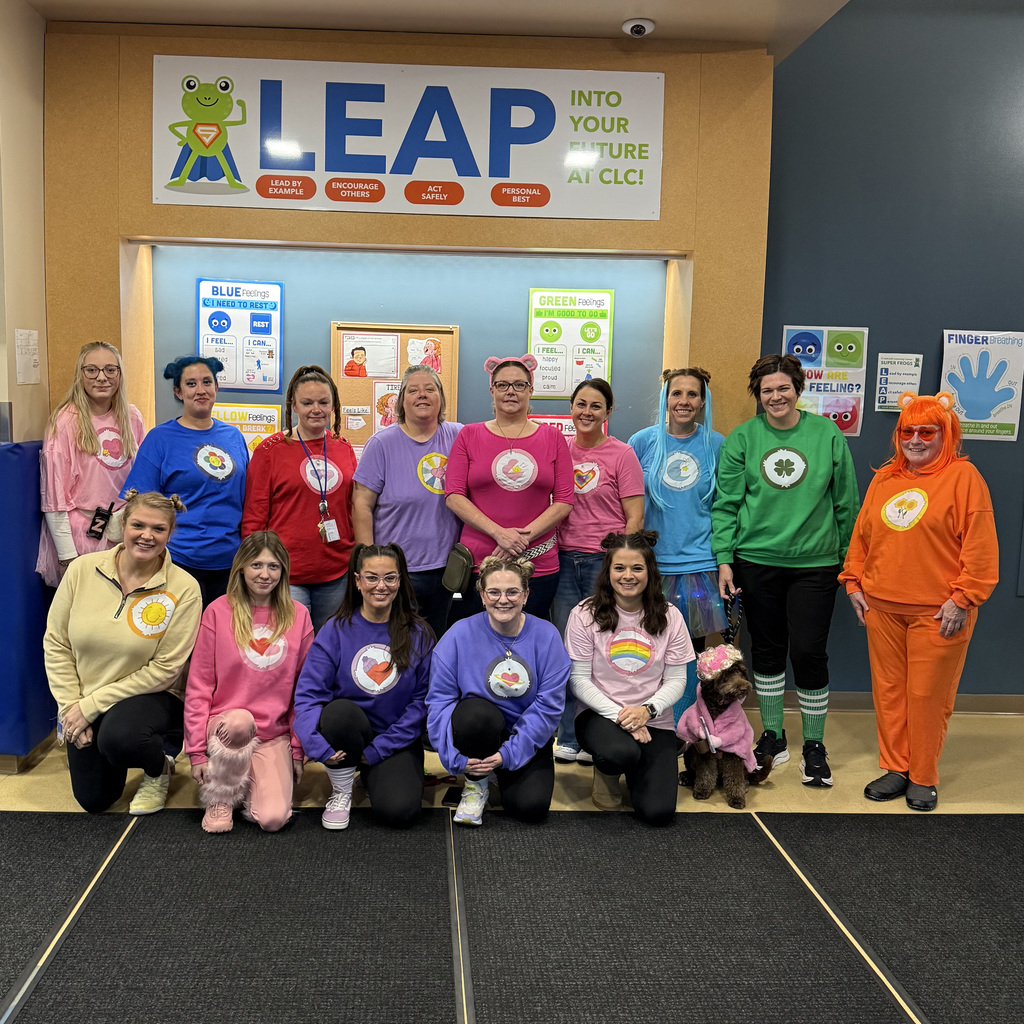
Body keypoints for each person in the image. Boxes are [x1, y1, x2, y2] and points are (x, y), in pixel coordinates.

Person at [839, 391, 997, 811]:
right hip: (882, 608)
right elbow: (863, 536)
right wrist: (853, 582)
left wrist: (963, 599)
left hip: (940, 612)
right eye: (908, 431)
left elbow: (980, 549)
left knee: (927, 697)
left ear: (946, 434)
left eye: (928, 431)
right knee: (889, 692)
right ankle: (895, 767)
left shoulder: (965, 479)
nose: (916, 440)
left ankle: (923, 775)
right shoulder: (885, 478)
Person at [712, 353, 859, 786]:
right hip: (755, 562)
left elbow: (846, 502)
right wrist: (725, 559)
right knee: (769, 651)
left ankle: (814, 743)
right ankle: (773, 736)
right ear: (758, 395)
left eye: (783, 388)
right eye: (766, 390)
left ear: (798, 389)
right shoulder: (743, 438)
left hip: (817, 564)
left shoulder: (826, 434)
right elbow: (726, 505)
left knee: (810, 651)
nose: (775, 396)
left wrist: (851, 561)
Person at [43, 490, 202, 815]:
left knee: (121, 739)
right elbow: (56, 643)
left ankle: (159, 768)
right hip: (86, 695)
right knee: (95, 800)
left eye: (158, 529)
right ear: (122, 525)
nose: (147, 536)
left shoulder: (184, 588)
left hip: (153, 695)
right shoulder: (82, 570)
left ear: (169, 534)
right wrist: (70, 707)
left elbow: (165, 670)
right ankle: (108, 741)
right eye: (138, 525)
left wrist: (91, 706)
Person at [293, 543, 433, 831]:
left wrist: (378, 750)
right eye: (371, 577)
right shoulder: (335, 630)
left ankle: (369, 774)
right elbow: (309, 695)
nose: (380, 586)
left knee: (400, 813)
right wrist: (312, 741)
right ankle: (342, 788)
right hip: (346, 732)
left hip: (395, 740)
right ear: (357, 581)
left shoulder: (418, 633)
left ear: (400, 581)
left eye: (389, 578)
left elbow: (422, 704)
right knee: (339, 712)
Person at [183, 531, 314, 833]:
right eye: (256, 565)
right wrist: (197, 752)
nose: (264, 575)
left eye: (273, 566)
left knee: (272, 819)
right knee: (241, 722)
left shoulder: (299, 615)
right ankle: (221, 794)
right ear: (241, 568)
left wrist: (297, 748)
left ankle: (248, 777)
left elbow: (303, 690)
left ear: (283, 571)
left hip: (272, 734)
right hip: (227, 728)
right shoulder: (218, 611)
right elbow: (199, 686)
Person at [428, 556, 570, 826]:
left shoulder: (547, 636)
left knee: (530, 809)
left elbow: (548, 708)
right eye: (493, 592)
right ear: (482, 595)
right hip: (478, 730)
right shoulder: (458, 635)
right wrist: (453, 758)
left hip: (525, 734)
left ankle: (498, 771)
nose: (502, 599)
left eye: (512, 592)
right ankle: (476, 783)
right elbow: (439, 702)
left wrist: (508, 754)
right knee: (474, 714)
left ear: (526, 595)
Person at [565, 531, 694, 824]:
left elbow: (677, 681)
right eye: (619, 568)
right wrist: (624, 717)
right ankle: (609, 771)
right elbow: (579, 681)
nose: (628, 576)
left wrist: (646, 711)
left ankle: (638, 767)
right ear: (607, 571)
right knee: (617, 753)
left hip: (653, 718)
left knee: (657, 814)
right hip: (599, 715)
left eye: (637, 568)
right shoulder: (584, 614)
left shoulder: (670, 616)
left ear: (650, 572)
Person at [551, 378, 644, 763]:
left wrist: (618, 565)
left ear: (609, 412)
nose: (587, 412)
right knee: (568, 653)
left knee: (603, 652)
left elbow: (635, 516)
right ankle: (569, 735)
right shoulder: (557, 451)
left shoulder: (622, 455)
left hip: (602, 563)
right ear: (570, 408)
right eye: (580, 404)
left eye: (596, 406)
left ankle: (599, 732)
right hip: (560, 561)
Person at [629, 367, 728, 722]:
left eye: (692, 394)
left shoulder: (717, 444)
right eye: (677, 393)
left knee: (689, 656)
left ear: (703, 401)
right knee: (643, 651)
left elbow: (726, 506)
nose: (684, 401)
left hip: (698, 568)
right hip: (649, 568)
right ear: (665, 398)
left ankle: (684, 729)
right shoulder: (641, 442)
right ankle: (647, 723)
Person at [445, 355, 573, 621]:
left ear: (531, 390)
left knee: (530, 639)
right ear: (491, 390)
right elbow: (454, 496)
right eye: (502, 385)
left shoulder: (553, 438)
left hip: (537, 562)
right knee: (479, 641)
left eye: (519, 385)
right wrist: (499, 534)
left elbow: (564, 501)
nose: (511, 391)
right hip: (481, 560)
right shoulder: (469, 435)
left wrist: (519, 540)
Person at [122, 356, 248, 607]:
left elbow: (245, 497)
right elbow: (142, 505)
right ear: (178, 392)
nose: (200, 390)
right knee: (182, 641)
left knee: (223, 639)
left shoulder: (233, 436)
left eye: (207, 382)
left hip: (230, 561)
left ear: (216, 388)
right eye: (191, 384)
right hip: (179, 559)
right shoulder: (160, 438)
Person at [242, 365, 356, 633]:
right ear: (293, 405)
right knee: (290, 649)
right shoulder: (270, 450)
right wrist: (256, 566)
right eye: (307, 402)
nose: (316, 409)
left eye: (323, 402)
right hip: (285, 572)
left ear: (333, 405)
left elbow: (353, 507)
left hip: (336, 570)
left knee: (330, 648)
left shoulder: (344, 446)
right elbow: (254, 516)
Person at [352, 364, 463, 638]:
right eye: (413, 390)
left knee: (438, 644)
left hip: (448, 569)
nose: (422, 395)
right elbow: (361, 504)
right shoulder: (381, 443)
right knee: (397, 644)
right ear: (402, 400)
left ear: (441, 398)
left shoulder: (460, 436)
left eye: (430, 389)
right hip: (396, 572)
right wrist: (370, 564)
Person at [36, 342, 145, 587]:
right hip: (81, 536)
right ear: (80, 374)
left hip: (122, 532)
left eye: (110, 370)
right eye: (92, 370)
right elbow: (54, 499)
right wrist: (66, 556)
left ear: (119, 374)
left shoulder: (132, 417)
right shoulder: (65, 422)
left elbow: (142, 479)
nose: (102, 378)